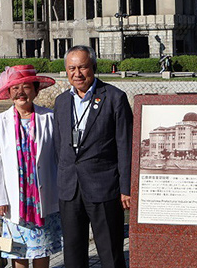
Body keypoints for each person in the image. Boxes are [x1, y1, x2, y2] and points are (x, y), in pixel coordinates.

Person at [52, 45, 132, 268]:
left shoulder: (115, 98)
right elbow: (60, 146)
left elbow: (125, 145)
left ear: (93, 68)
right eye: (71, 68)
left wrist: (126, 187)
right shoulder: (61, 102)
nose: (77, 73)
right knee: (73, 253)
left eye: (83, 67)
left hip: (104, 186)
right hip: (70, 188)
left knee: (110, 253)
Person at [0, 65, 62, 268]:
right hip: (14, 200)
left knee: (42, 252)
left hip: (42, 198)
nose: (21, 93)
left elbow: (58, 156)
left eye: (26, 87)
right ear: (10, 93)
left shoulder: (49, 118)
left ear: (36, 90)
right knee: (17, 253)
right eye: (15, 88)